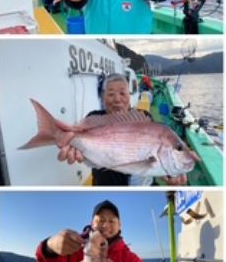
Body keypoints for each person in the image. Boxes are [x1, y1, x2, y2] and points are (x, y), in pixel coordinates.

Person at [57, 73, 187, 186]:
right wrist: (73, 144)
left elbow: (158, 158)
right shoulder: (94, 117)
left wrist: (170, 173)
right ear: (103, 97)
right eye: (111, 94)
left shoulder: (144, 118)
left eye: (122, 93)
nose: (117, 99)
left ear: (129, 96)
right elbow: (81, 143)